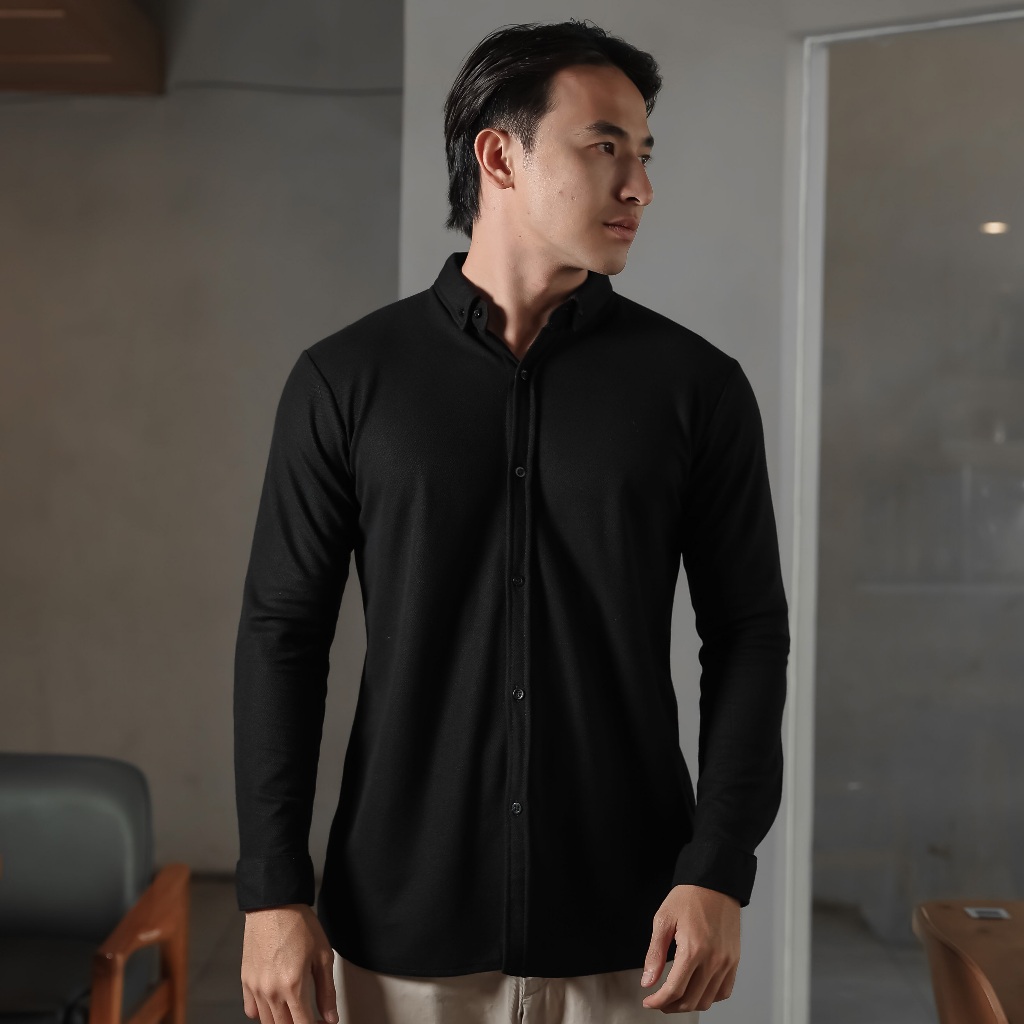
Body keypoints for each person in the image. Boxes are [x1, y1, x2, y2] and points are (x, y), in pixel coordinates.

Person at [234, 17, 790, 1024]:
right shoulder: (346, 381)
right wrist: (273, 888)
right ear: (499, 156)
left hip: (632, 930)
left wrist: (718, 864)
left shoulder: (697, 388)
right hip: (398, 931)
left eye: (644, 153)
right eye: (605, 147)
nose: (640, 186)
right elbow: (283, 636)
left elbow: (748, 632)